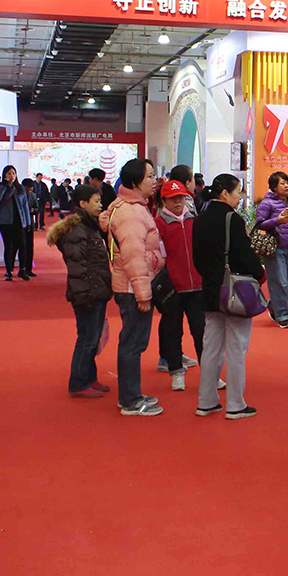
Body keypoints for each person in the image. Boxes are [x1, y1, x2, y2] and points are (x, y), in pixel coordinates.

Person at [193, 174, 265, 420]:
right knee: (236, 347)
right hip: (235, 290)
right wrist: (259, 274)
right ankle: (235, 404)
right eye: (237, 192)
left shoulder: (200, 218)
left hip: (210, 290)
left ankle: (206, 401)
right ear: (225, 193)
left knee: (211, 347)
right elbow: (244, 255)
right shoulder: (232, 219)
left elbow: (197, 259)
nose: (239, 197)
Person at [99, 159, 165, 417]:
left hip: (130, 285)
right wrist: (143, 294)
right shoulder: (131, 213)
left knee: (133, 342)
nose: (154, 181)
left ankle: (131, 394)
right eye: (150, 176)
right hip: (132, 286)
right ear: (136, 182)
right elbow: (133, 257)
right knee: (133, 343)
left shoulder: (130, 207)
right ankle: (130, 400)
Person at [47, 184, 113, 399]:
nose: (100, 205)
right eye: (96, 201)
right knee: (87, 338)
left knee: (93, 337)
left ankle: (89, 377)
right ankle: (78, 382)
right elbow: (77, 266)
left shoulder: (89, 225)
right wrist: (84, 294)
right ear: (83, 203)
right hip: (87, 292)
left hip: (96, 289)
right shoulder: (77, 229)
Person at [154, 180, 205, 391]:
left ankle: (209, 373)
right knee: (172, 332)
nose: (178, 202)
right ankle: (176, 371)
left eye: (181, 198)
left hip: (197, 286)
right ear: (164, 201)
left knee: (201, 332)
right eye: (173, 198)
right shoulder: (158, 224)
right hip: (172, 288)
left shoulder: (195, 220)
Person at [256, 171, 288, 328]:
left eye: (287, 182)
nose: (286, 186)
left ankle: (272, 304)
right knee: (280, 282)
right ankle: (282, 317)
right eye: (283, 183)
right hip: (275, 248)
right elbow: (259, 224)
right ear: (274, 186)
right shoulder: (267, 203)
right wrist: (277, 221)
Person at [0, 166, 30, 282]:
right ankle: (9, 271)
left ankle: (22, 269)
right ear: (4, 175)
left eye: (13, 173)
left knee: (22, 246)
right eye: (9, 173)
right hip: (6, 222)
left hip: (19, 221)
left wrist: (28, 222)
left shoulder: (20, 188)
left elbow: (25, 205)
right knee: (9, 246)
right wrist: (5, 186)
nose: (11, 176)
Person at [21, 178, 38, 278]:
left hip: (30, 224)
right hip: (20, 224)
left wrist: (33, 210)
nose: (28, 191)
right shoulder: (18, 195)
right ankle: (19, 269)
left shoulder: (33, 196)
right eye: (27, 189)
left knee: (30, 247)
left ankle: (28, 269)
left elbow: (37, 208)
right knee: (20, 247)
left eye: (30, 189)